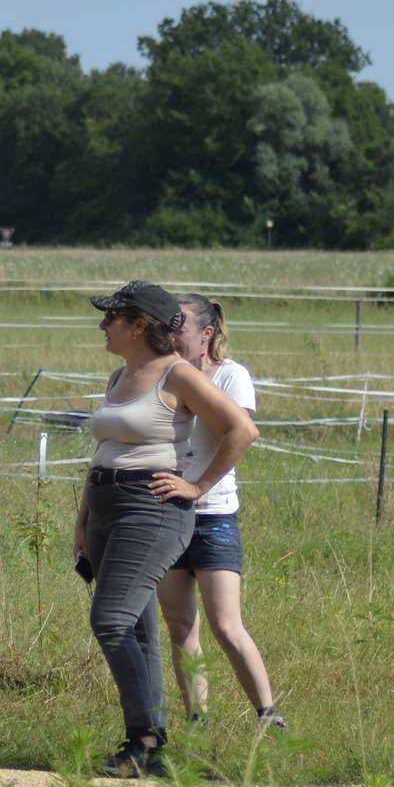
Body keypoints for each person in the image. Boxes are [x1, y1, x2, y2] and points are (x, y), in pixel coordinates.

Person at [76, 282, 257, 779]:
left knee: (110, 620)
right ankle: (149, 748)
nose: (102, 325)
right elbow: (105, 449)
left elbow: (243, 429)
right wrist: (83, 518)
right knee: (135, 626)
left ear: (138, 325)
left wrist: (198, 486)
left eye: (111, 317)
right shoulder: (120, 375)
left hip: (149, 509)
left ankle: (144, 740)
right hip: (106, 505)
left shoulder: (178, 374)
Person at [154, 293, 281, 734]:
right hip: (169, 514)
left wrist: (198, 487)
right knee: (179, 626)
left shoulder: (231, 376)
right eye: (167, 326)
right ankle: (197, 726)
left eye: (180, 328)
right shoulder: (164, 374)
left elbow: (239, 434)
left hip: (214, 517)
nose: (170, 335)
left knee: (226, 625)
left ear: (206, 334)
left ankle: (269, 718)